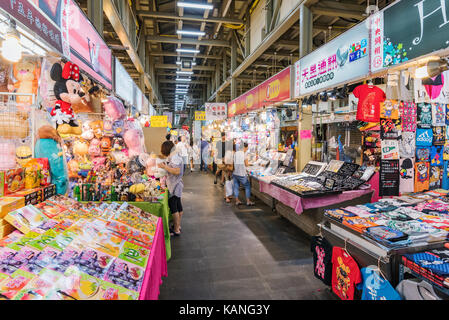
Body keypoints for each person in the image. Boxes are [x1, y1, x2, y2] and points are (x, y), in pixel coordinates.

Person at [158, 140, 184, 236]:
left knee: (174, 207)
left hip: (175, 185)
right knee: (178, 205)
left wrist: (164, 167)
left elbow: (176, 171)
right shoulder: (174, 156)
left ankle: (176, 229)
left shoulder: (175, 157)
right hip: (176, 184)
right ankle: (178, 225)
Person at [232, 142, 255, 206]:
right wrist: (252, 164)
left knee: (236, 187)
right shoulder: (244, 154)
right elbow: (246, 165)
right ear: (244, 147)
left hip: (235, 173)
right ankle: (248, 201)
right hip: (241, 174)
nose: (246, 150)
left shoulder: (235, 153)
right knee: (247, 186)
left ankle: (237, 201)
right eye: (246, 148)